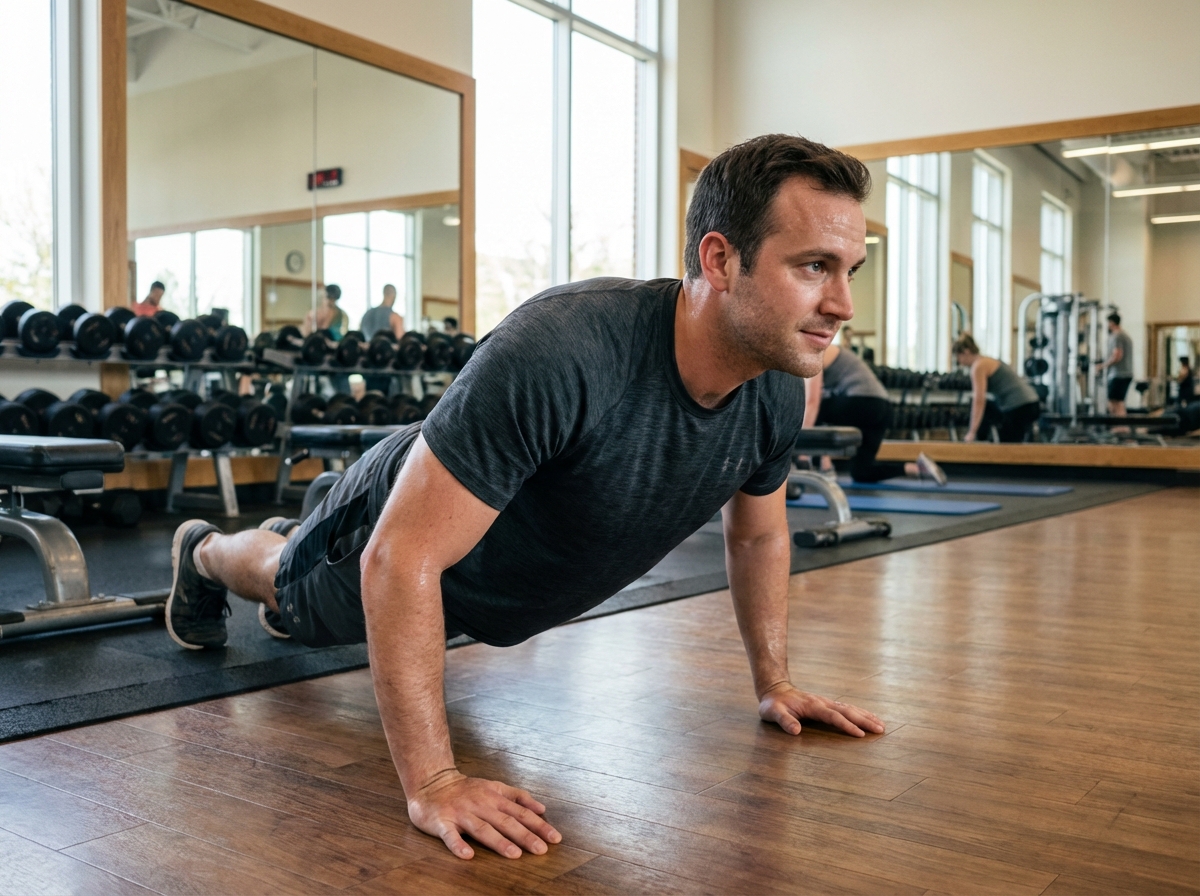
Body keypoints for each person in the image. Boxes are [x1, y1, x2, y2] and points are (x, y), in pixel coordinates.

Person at [161, 134, 886, 862]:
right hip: (401, 542)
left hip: (463, 571)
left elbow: (758, 536)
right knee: (292, 593)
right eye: (814, 267)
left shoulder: (775, 392)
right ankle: (206, 551)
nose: (843, 303)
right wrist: (435, 783)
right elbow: (401, 557)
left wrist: (775, 683)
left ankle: (307, 530)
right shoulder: (566, 350)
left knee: (363, 576)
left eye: (849, 269)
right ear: (720, 259)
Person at [803, 344, 947, 485]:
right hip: (883, 409)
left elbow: (812, 402)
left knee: (811, 409)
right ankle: (916, 468)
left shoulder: (814, 350)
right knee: (861, 472)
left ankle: (825, 466)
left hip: (865, 403)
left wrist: (801, 450)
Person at [952, 333, 1041, 443]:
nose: (959, 362)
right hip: (1031, 403)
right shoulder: (986, 360)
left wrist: (972, 432)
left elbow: (979, 400)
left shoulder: (978, 367)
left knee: (1007, 446)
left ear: (966, 352)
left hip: (1020, 406)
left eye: (958, 357)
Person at [1096, 312, 1134, 416]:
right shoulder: (1125, 335)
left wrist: (1102, 366)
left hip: (1119, 374)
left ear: (1111, 323)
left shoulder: (1117, 336)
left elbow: (1117, 356)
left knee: (1114, 403)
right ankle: (1120, 427)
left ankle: (1120, 428)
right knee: (1118, 402)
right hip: (1125, 374)